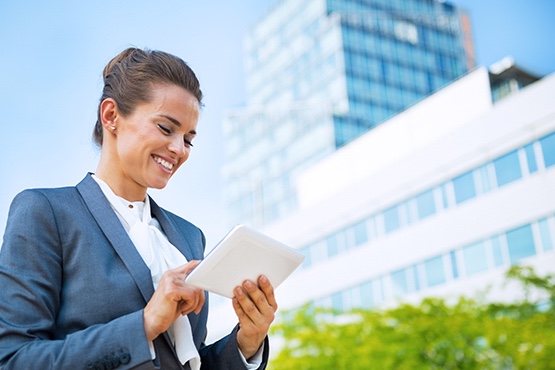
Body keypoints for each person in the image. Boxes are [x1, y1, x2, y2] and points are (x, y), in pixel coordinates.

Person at [0, 47, 277, 370]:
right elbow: (13, 359)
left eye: (188, 139)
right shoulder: (46, 213)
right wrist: (144, 324)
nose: (178, 149)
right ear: (111, 116)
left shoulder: (188, 236)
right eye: (165, 128)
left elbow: (189, 360)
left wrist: (247, 341)